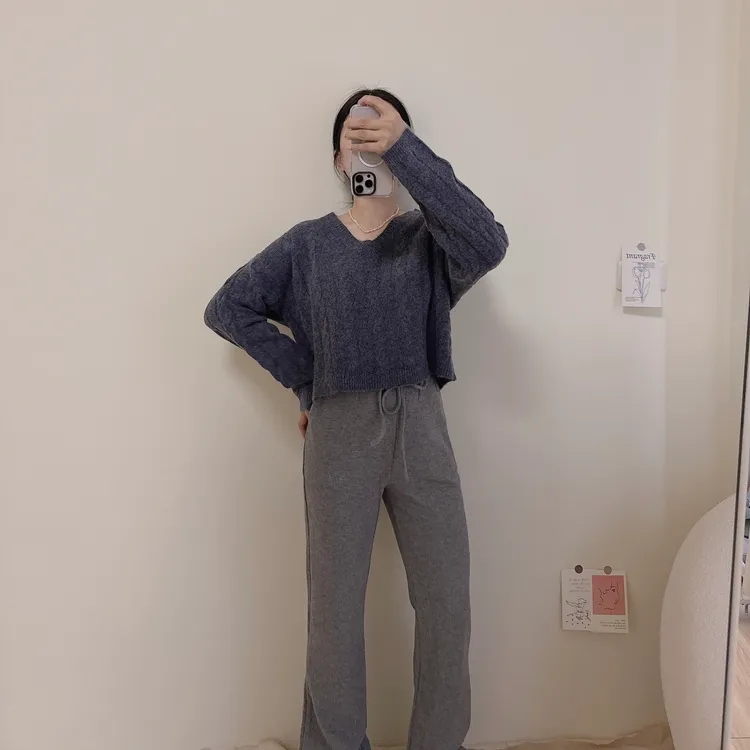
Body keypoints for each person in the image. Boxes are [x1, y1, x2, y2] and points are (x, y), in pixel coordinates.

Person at [204, 88, 509, 750]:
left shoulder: (430, 240)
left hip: (421, 424)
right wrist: (306, 380)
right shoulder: (308, 245)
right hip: (340, 431)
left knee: (447, 603)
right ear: (338, 159)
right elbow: (228, 308)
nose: (367, 140)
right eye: (355, 132)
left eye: (382, 130)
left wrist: (408, 151)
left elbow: (489, 242)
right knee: (335, 611)